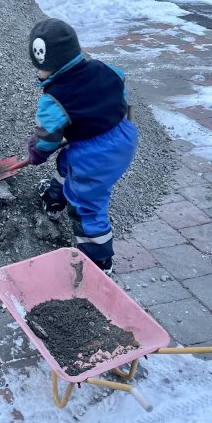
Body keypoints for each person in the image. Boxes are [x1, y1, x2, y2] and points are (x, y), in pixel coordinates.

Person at [26, 18, 138, 275]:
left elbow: (47, 138)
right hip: (123, 131)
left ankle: (99, 263)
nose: (38, 74)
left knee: (87, 204)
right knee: (67, 160)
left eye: (39, 69)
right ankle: (54, 198)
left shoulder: (54, 99)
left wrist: (36, 153)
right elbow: (120, 86)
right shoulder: (105, 69)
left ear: (47, 65)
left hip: (97, 153)